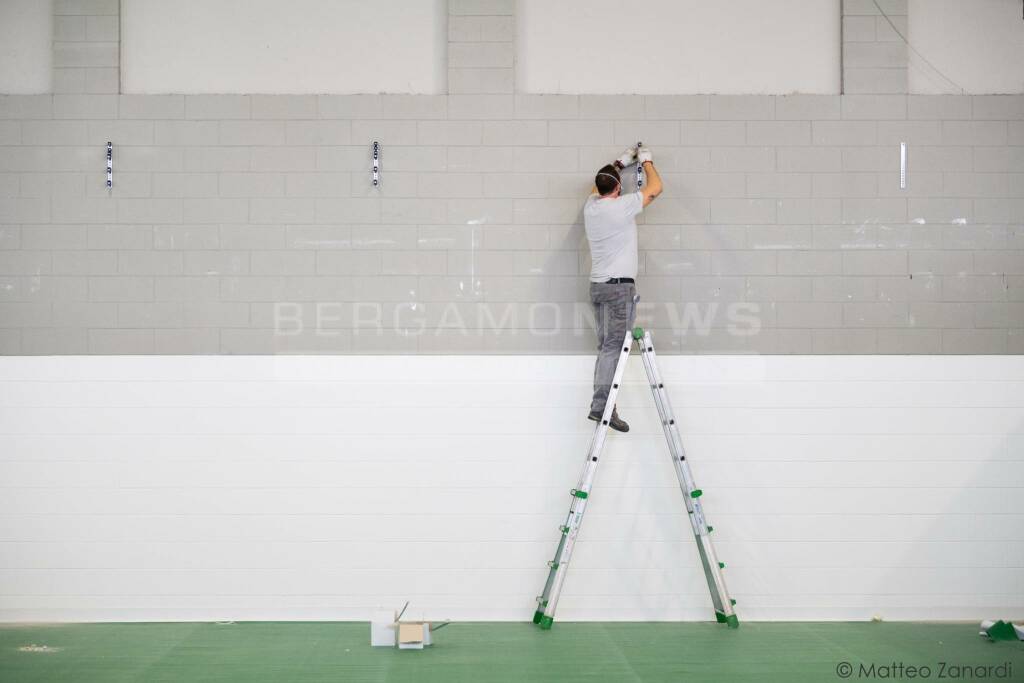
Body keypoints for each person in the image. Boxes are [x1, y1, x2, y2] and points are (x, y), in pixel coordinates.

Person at [583, 144, 663, 432]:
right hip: (618, 291)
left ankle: (602, 405)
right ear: (617, 190)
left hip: (599, 288)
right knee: (613, 349)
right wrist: (647, 161)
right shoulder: (621, 206)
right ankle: (602, 406)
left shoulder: (591, 206)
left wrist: (621, 162)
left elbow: (599, 184)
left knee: (606, 347)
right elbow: (656, 188)